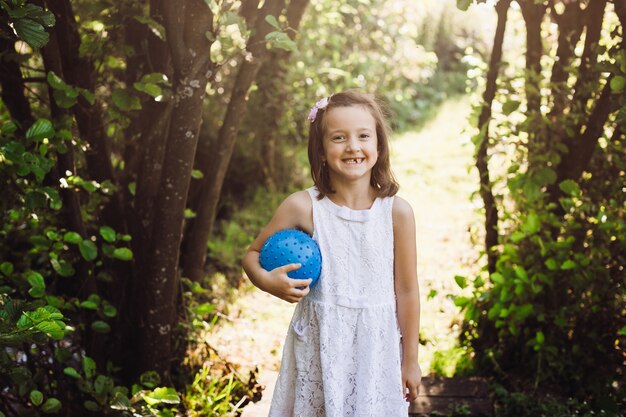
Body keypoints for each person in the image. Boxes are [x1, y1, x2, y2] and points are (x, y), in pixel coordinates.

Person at [242, 91, 421, 416]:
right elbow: (252, 255)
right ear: (322, 151)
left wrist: (410, 360)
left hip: (375, 351)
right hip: (320, 346)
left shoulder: (397, 214)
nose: (353, 146)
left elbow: (407, 291)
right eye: (339, 138)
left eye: (363, 136)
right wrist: (268, 282)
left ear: (379, 146)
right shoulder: (303, 207)